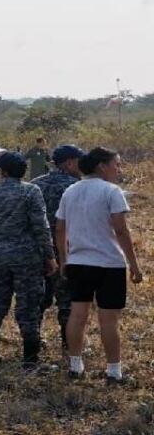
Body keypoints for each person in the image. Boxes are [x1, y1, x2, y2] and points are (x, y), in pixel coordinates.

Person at [56, 147, 143, 382]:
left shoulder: (70, 191)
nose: (119, 168)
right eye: (117, 164)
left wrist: (64, 259)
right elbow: (121, 230)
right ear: (102, 166)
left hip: (78, 262)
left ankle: (75, 366)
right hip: (109, 263)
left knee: (77, 315)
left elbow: (60, 228)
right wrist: (134, 265)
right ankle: (114, 371)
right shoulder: (112, 191)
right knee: (108, 319)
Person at [0, 153, 58, 370]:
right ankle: (30, 361)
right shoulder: (31, 191)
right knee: (29, 307)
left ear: (3, 171)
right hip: (27, 259)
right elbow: (41, 226)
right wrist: (49, 256)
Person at [32, 144, 85, 350]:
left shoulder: (35, 185)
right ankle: (68, 344)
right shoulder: (76, 187)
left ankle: (34, 341)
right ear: (70, 162)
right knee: (67, 300)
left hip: (39, 252)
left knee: (38, 298)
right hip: (67, 251)